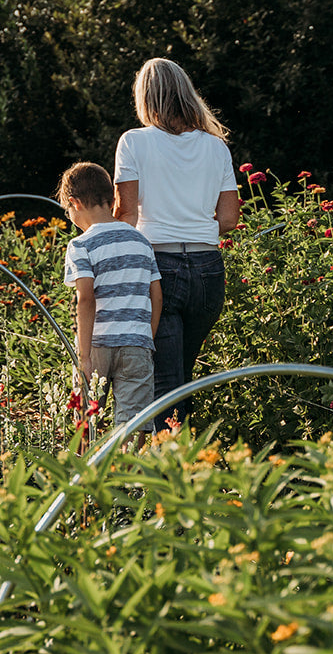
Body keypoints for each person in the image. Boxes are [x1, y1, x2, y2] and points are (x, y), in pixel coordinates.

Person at [113, 58, 239, 427]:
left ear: (145, 97)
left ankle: (168, 476)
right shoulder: (216, 147)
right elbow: (229, 218)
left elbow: (126, 216)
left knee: (166, 385)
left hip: (159, 269)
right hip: (208, 272)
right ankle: (185, 465)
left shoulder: (133, 142)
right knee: (180, 377)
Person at [59, 161, 162, 444]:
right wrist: (147, 338)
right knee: (134, 424)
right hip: (137, 344)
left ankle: (84, 481)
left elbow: (86, 299)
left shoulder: (81, 245)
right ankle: (129, 484)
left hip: (97, 344)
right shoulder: (141, 241)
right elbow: (156, 295)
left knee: (85, 418)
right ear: (112, 199)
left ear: (74, 203)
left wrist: (84, 356)